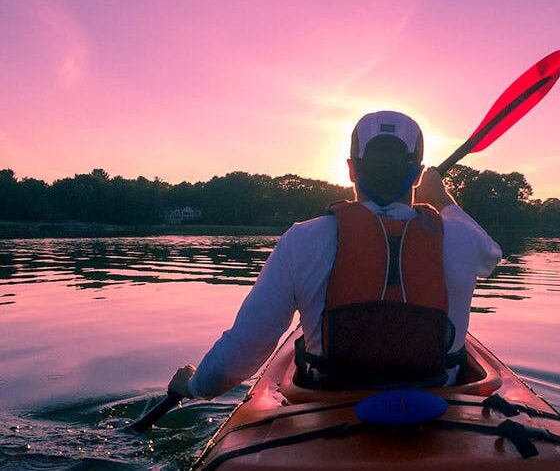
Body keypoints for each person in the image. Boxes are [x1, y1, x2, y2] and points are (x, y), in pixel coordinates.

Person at [168, 110, 502, 398]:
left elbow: (242, 352)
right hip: (439, 407)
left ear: (351, 169)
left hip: (330, 406)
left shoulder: (302, 240)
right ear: (415, 174)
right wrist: (441, 198)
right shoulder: (461, 238)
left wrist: (194, 385)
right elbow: (492, 255)